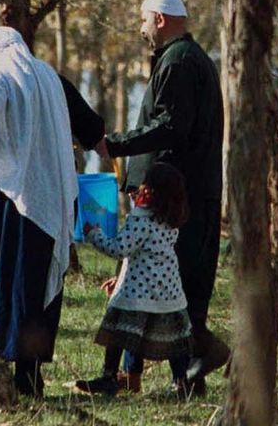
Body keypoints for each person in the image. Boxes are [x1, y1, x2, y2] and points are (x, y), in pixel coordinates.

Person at [0, 26, 103, 397]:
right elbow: (92, 126)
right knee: (34, 289)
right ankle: (29, 373)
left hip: (3, 204)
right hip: (46, 201)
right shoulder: (51, 79)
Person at [95, 0, 227, 396]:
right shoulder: (186, 58)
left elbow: (171, 128)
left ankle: (206, 353)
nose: (141, 28)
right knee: (183, 287)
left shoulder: (179, 63)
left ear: (160, 19)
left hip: (178, 200)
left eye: (143, 19)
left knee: (178, 291)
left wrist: (115, 144)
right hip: (190, 196)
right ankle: (190, 380)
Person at [74, 163, 193, 397]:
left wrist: (93, 233)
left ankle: (109, 377)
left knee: (119, 333)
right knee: (175, 341)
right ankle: (181, 382)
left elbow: (120, 248)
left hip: (138, 293)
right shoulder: (171, 220)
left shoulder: (141, 220)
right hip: (169, 293)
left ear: (152, 191)